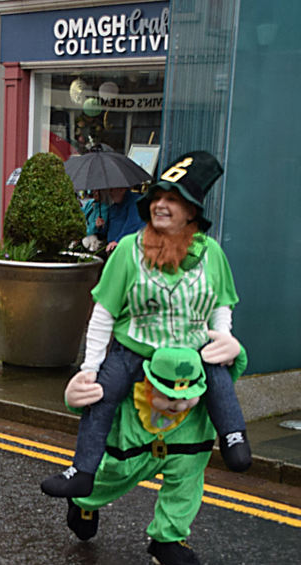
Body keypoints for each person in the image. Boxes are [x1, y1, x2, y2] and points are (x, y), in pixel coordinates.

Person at [41, 151, 250, 499]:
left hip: (191, 354)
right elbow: (104, 313)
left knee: (218, 380)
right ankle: (83, 470)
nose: (161, 205)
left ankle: (233, 436)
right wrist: (90, 368)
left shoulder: (211, 253)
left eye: (172, 198)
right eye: (157, 197)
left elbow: (221, 303)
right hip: (134, 350)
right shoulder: (128, 249)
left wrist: (225, 338)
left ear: (191, 211)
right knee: (101, 398)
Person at [63, 346, 247, 565]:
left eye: (187, 398)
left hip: (186, 447)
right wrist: (75, 396)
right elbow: (96, 402)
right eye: (169, 397)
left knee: (185, 490)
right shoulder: (129, 382)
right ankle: (83, 502)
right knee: (111, 477)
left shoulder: (205, 379)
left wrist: (234, 352)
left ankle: (168, 541)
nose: (178, 405)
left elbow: (228, 374)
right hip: (131, 451)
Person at [81, 187, 146, 253]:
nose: (110, 193)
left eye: (111, 190)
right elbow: (106, 231)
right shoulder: (113, 207)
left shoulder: (135, 201)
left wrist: (117, 241)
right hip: (111, 248)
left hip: (128, 248)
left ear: (122, 189)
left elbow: (133, 225)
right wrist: (100, 226)